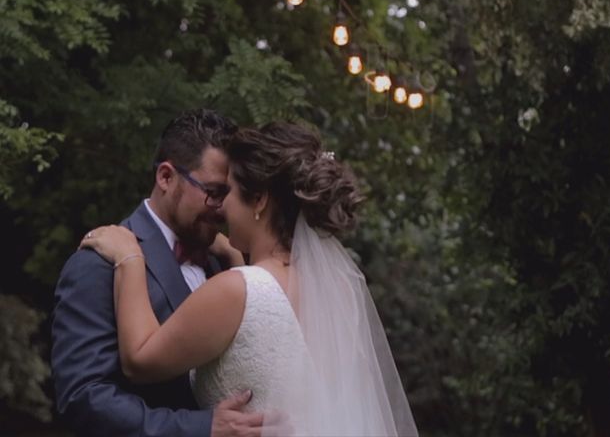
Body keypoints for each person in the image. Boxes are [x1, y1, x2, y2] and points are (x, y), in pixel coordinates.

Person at [80, 121, 419, 436]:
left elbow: (139, 360)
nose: (220, 207)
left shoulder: (237, 289)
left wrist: (130, 258)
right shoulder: (340, 289)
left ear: (258, 200)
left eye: (227, 192)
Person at [51, 109, 265, 437]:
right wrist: (201, 427)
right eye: (213, 192)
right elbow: (83, 398)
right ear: (166, 177)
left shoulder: (225, 262)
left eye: (228, 194)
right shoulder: (98, 263)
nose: (222, 208)